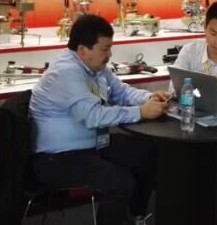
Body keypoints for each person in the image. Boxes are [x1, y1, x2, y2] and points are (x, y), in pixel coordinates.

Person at [29, 15, 170, 225]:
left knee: (150, 151)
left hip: (92, 145)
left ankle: (136, 216)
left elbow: (122, 92)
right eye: (105, 49)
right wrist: (141, 112)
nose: (109, 54)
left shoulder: (96, 67)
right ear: (83, 50)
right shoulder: (66, 73)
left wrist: (149, 98)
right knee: (120, 182)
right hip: (57, 158)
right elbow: (93, 116)